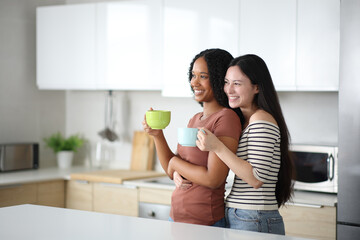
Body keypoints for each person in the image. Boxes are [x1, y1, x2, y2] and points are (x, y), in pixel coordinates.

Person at [186, 54, 294, 234]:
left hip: (253, 217)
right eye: (227, 82)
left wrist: (217, 146)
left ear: (257, 87)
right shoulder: (245, 120)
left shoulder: (261, 119)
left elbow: (256, 178)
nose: (229, 89)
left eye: (237, 83)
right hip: (242, 214)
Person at [142, 48, 243, 226]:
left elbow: (213, 179)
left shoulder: (226, 118)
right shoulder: (195, 119)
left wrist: (175, 164)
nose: (194, 82)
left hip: (204, 222)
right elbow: (171, 169)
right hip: (177, 217)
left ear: (220, 79)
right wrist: (158, 135)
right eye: (193, 75)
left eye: (203, 76)